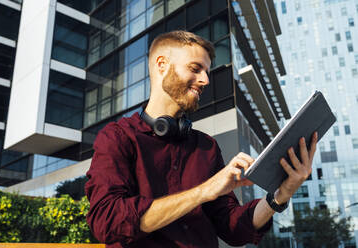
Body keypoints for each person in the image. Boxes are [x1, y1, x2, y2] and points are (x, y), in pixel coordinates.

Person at [85, 30, 318, 248]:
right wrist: (205, 190)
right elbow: (107, 222)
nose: (205, 79)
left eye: (206, 71)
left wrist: (280, 196)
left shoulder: (207, 147)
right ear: (162, 65)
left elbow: (232, 227)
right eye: (196, 68)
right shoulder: (117, 137)